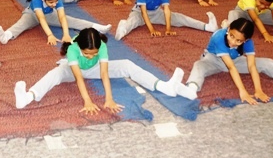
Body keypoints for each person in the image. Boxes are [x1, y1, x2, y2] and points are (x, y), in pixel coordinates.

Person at [14, 28, 193, 113]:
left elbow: (104, 73)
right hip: (74, 70)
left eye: (94, 53)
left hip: (95, 69)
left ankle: (164, 86)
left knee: (127, 64)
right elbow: (78, 78)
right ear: (80, 48)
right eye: (87, 54)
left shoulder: (101, 46)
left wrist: (109, 99)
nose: (90, 56)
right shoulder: (73, 49)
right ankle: (27, 97)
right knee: (55, 74)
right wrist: (87, 101)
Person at [183, 18, 273, 102]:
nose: (233, 42)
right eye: (231, 36)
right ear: (228, 30)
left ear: (246, 40)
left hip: (235, 60)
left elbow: (252, 66)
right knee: (198, 65)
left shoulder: (248, 42)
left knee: (268, 63)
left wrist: (258, 90)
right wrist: (243, 91)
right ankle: (191, 88)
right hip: (213, 60)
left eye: (239, 41)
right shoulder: (219, 37)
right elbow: (231, 68)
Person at [0, 0, 111, 45]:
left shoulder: (56, 0)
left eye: (55, 1)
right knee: (21, 24)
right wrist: (50, 35)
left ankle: (97, 27)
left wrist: (66, 34)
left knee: (72, 20)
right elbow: (41, 18)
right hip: (32, 15)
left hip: (49, 15)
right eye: (51, 2)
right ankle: (6, 36)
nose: (54, 4)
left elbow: (62, 17)